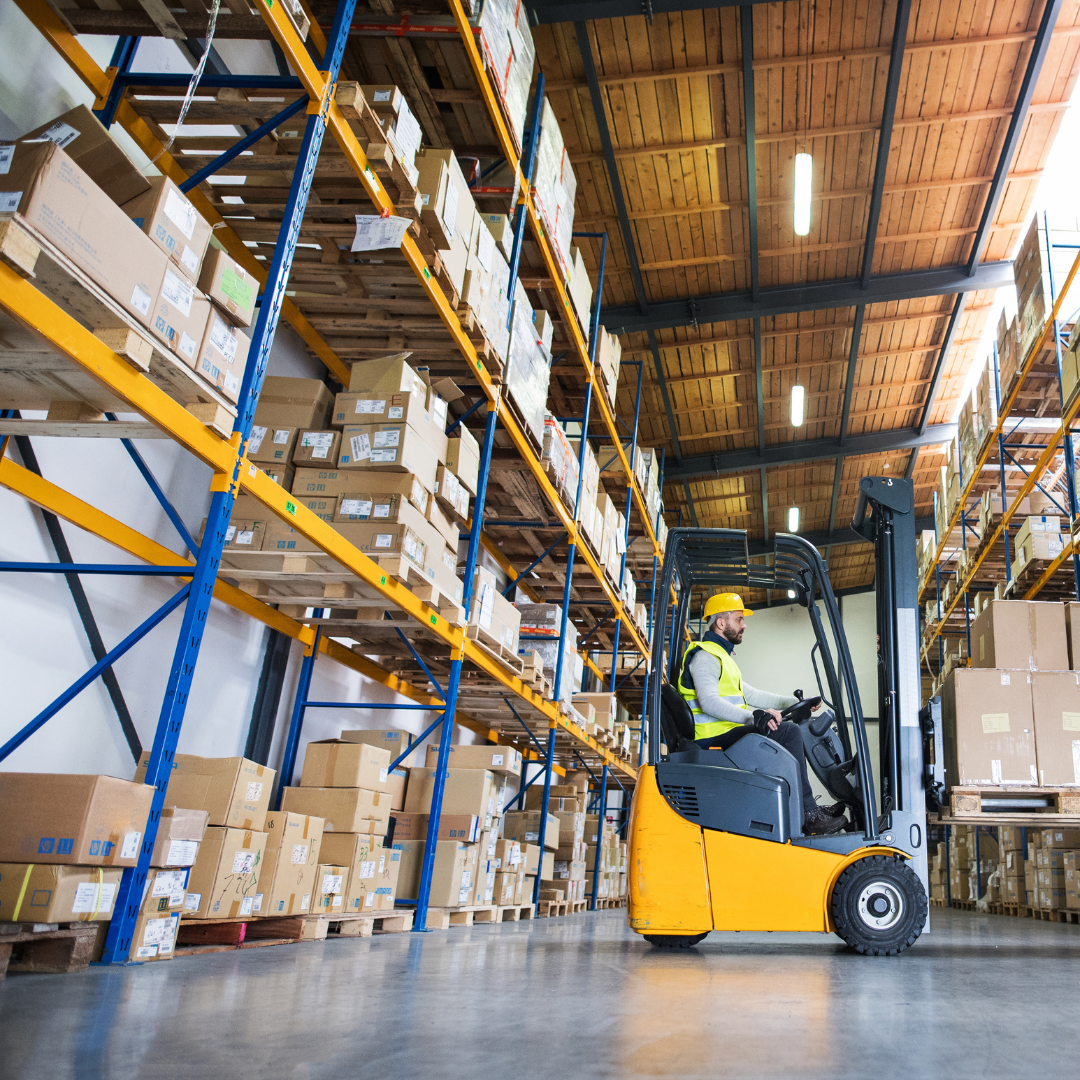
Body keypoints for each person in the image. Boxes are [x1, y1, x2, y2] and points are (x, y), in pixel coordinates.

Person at [676, 592, 845, 836]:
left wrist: (795, 702)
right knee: (789, 733)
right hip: (712, 739)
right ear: (721, 623)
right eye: (738, 619)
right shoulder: (705, 657)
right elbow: (709, 702)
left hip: (728, 732)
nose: (744, 625)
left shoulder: (723, 656)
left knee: (787, 727)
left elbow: (751, 694)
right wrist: (753, 717)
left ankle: (807, 808)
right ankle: (809, 814)